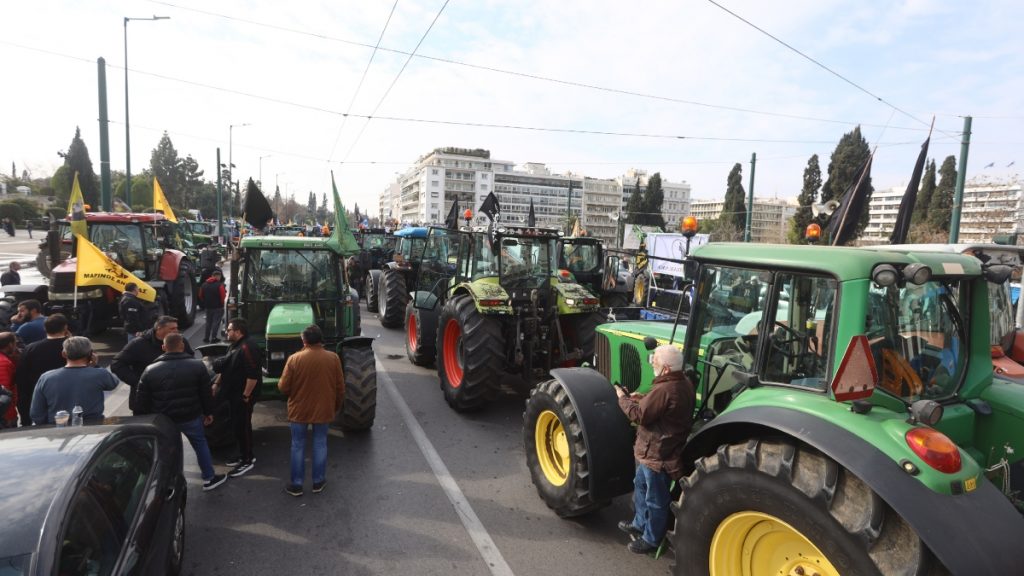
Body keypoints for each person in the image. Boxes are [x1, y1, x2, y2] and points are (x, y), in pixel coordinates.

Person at [615, 344, 694, 554]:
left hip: (657, 453)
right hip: (653, 451)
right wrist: (641, 399)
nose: (652, 364)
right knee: (640, 485)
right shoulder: (683, 383)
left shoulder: (664, 389)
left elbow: (638, 415)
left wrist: (622, 398)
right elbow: (660, 407)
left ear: (666, 368)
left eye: (655, 361)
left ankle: (651, 539)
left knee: (655, 499)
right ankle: (639, 523)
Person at [136, 332, 227, 491]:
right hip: (191, 416)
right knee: (200, 445)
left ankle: (169, 484)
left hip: (164, 420)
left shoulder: (150, 370)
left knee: (166, 451)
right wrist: (208, 413)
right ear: (182, 346)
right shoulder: (197, 366)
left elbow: (142, 400)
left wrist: (145, 420)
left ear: (163, 347)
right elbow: (206, 394)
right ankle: (209, 478)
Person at [277, 325, 344, 496]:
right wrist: (335, 406)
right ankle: (318, 482)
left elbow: (283, 387)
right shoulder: (333, 358)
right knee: (320, 443)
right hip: (323, 409)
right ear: (320, 339)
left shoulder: (294, 359)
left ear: (304, 341)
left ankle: (296, 485)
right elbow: (340, 388)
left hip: (299, 410)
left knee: (297, 445)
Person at [212, 318, 263, 478]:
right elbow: (226, 367)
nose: (226, 332)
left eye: (229, 329)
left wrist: (246, 396)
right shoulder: (234, 346)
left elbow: (253, 375)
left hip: (242, 396)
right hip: (233, 394)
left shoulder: (248, 347)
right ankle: (242, 454)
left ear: (238, 331)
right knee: (236, 425)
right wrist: (216, 383)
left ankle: (247, 459)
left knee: (243, 426)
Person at [111, 316, 194, 414]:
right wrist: (138, 382)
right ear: (159, 329)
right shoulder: (138, 344)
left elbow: (190, 360)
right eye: (172, 328)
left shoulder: (180, 341)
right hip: (146, 403)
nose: (176, 331)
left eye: (176, 328)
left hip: (174, 401)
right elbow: (117, 364)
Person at [30, 336, 120, 425]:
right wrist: (95, 366)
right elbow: (113, 383)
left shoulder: (46, 378)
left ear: (63, 354)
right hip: (93, 425)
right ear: (90, 354)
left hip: (58, 426)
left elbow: (36, 413)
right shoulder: (100, 374)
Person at [15, 313, 70, 427]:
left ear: (45, 328)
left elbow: (22, 381)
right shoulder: (73, 347)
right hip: (69, 399)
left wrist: (25, 418)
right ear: (65, 327)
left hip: (38, 399)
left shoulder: (31, 348)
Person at [199, 270, 226, 343]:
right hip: (218, 307)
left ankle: (206, 338)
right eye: (219, 276)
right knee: (216, 322)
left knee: (208, 323)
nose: (219, 278)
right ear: (218, 276)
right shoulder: (220, 285)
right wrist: (222, 304)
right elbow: (223, 296)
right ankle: (213, 338)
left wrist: (205, 302)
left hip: (208, 307)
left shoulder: (204, 285)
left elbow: (200, 295)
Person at [0, 332, 18, 428]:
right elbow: (4, 393)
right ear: (10, 344)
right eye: (15, 343)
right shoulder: (4, 362)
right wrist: (10, 416)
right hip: (5, 416)